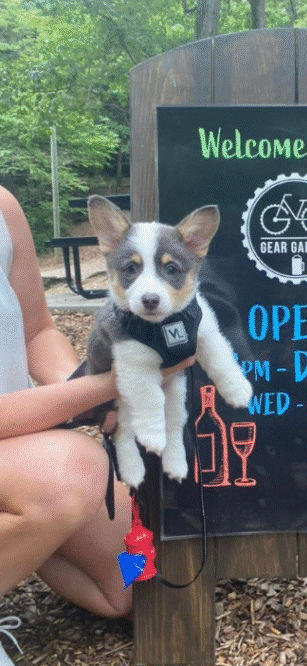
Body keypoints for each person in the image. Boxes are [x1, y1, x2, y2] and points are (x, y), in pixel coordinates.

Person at [0, 185, 190, 664]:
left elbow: (38, 330)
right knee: (74, 475)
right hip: (22, 437)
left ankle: (27, 529)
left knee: (130, 583)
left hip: (23, 442)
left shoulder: (3, 206)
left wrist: (76, 386)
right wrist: (106, 387)